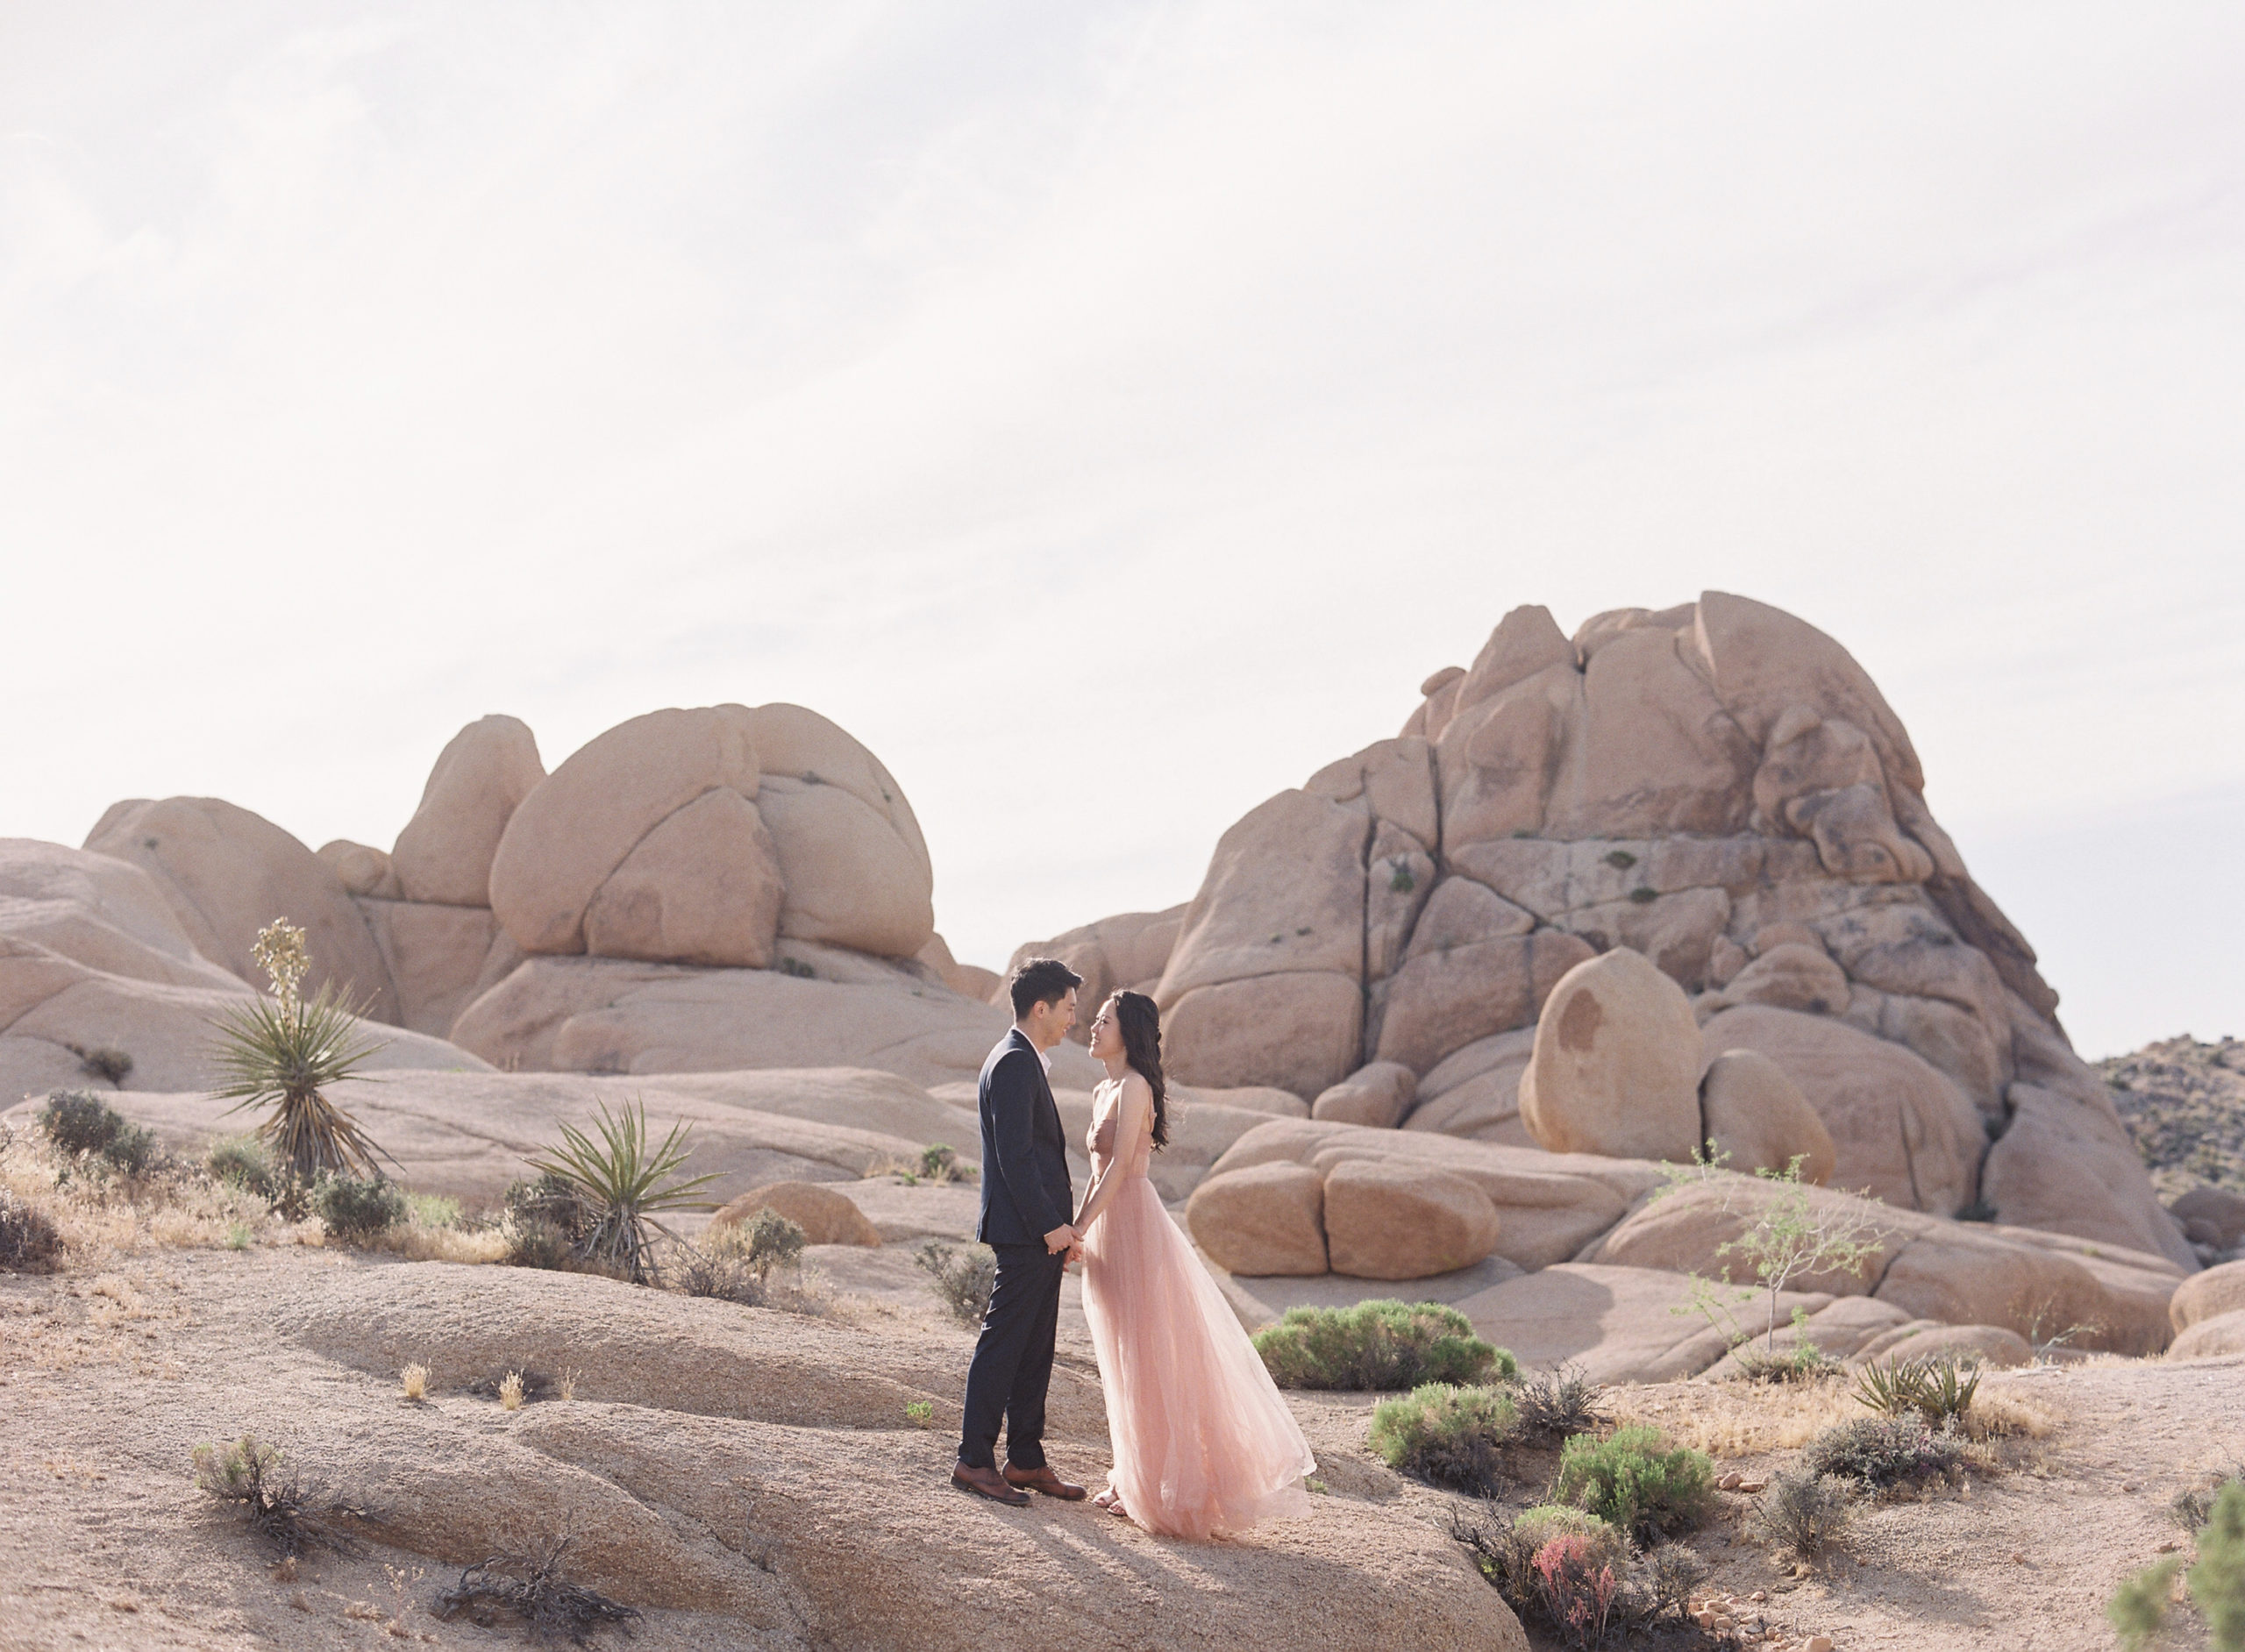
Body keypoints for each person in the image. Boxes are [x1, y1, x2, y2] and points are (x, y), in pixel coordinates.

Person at [1071, 989, 1316, 1538]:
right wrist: (1077, 1227)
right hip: (1108, 1226)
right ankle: (1130, 1472)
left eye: (1103, 1021)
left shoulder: (1134, 1087)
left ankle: (1160, 1484)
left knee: (1151, 1351)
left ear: (1127, 1031)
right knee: (1118, 1352)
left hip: (1134, 1223)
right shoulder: (1102, 1088)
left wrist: (1082, 1226)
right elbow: (1093, 1171)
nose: (1092, 1027)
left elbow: (1118, 1175)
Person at [952, 957, 1091, 1506]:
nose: (1073, 1022)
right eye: (1068, 1010)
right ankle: (974, 1460)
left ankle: (1026, 1459)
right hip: (1026, 1233)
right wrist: (1050, 1228)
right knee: (1003, 1346)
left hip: (1038, 1234)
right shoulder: (1012, 1062)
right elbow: (1015, 1158)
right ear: (1041, 1008)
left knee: (1035, 1349)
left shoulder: (1022, 1060)